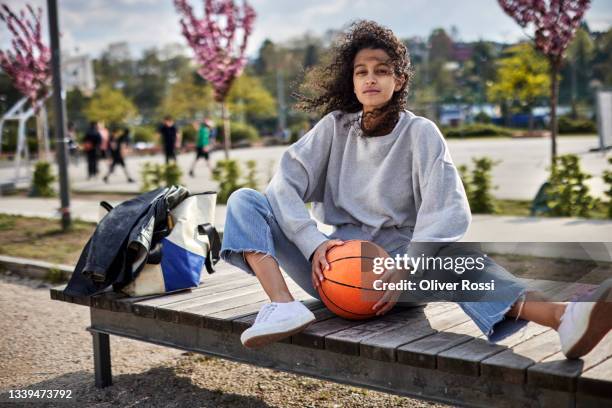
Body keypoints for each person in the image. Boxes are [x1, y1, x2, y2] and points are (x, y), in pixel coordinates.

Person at [219, 20, 612, 356]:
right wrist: (313, 243)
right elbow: (283, 184)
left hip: (401, 274)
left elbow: (446, 211)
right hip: (333, 268)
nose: (370, 78)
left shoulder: (421, 133)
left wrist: (409, 265)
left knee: (460, 260)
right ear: (352, 82)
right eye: (361, 71)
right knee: (245, 200)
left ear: (399, 79)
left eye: (381, 70)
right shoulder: (335, 128)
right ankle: (282, 306)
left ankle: (564, 319)